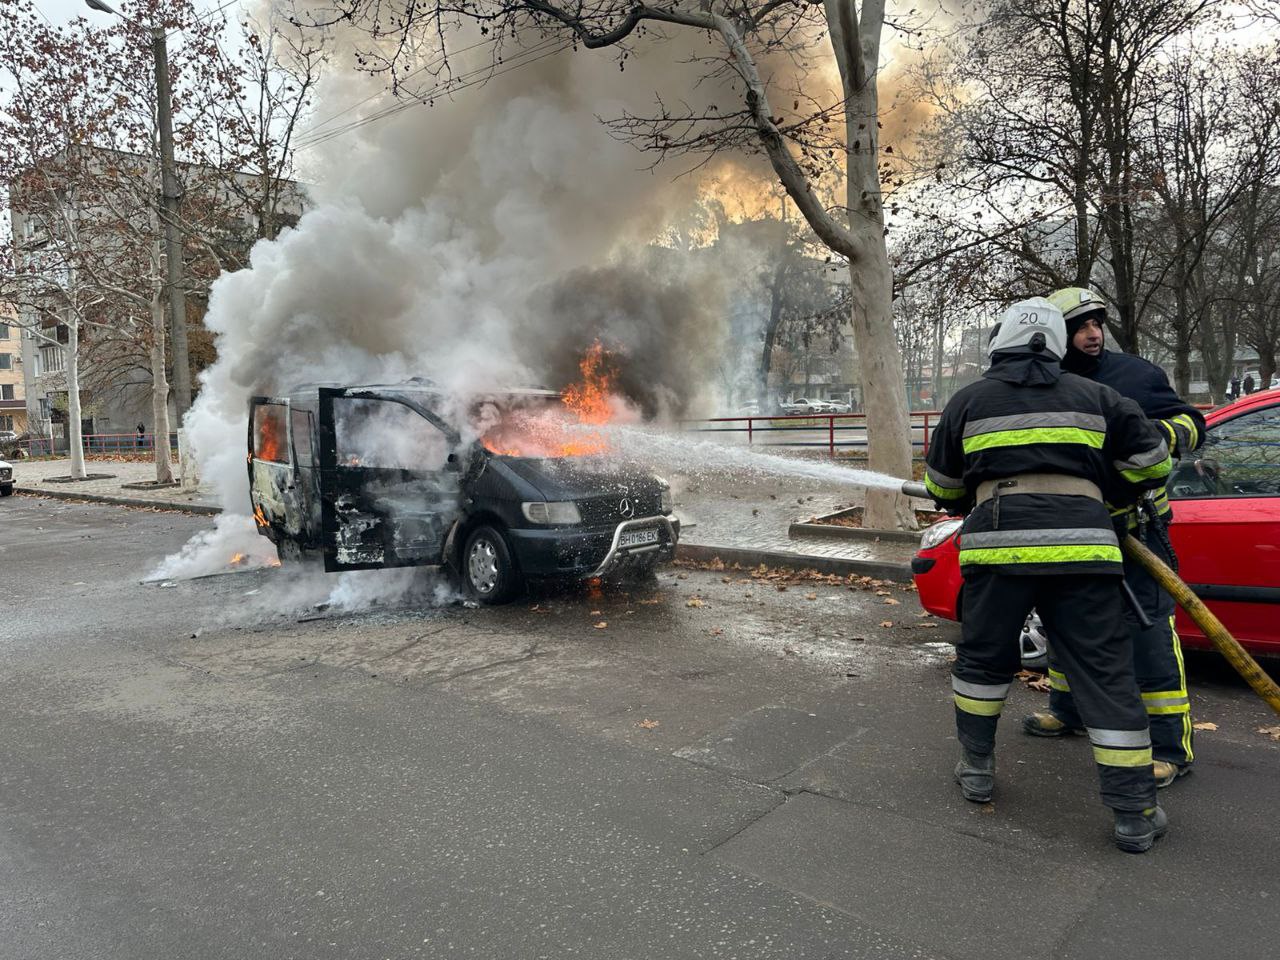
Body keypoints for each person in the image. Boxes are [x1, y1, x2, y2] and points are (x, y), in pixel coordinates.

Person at [925, 297, 1173, 853]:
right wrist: (1098, 486)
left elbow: (942, 488)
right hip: (1085, 553)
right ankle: (1134, 813)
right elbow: (1153, 464)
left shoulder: (968, 401)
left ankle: (977, 769)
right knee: (1107, 674)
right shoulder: (1101, 396)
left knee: (985, 661)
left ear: (1000, 345)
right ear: (1057, 347)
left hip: (996, 553)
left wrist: (981, 486)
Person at [1022, 287, 1205, 788]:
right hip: (1075, 526)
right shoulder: (1045, 382)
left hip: (1136, 526)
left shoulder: (1134, 375)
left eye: (1097, 323)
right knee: (1066, 617)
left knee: (1147, 635)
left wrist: (1149, 437)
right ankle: (1069, 710)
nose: (1094, 333)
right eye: (1081, 326)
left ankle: (1170, 747)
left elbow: (1192, 423)